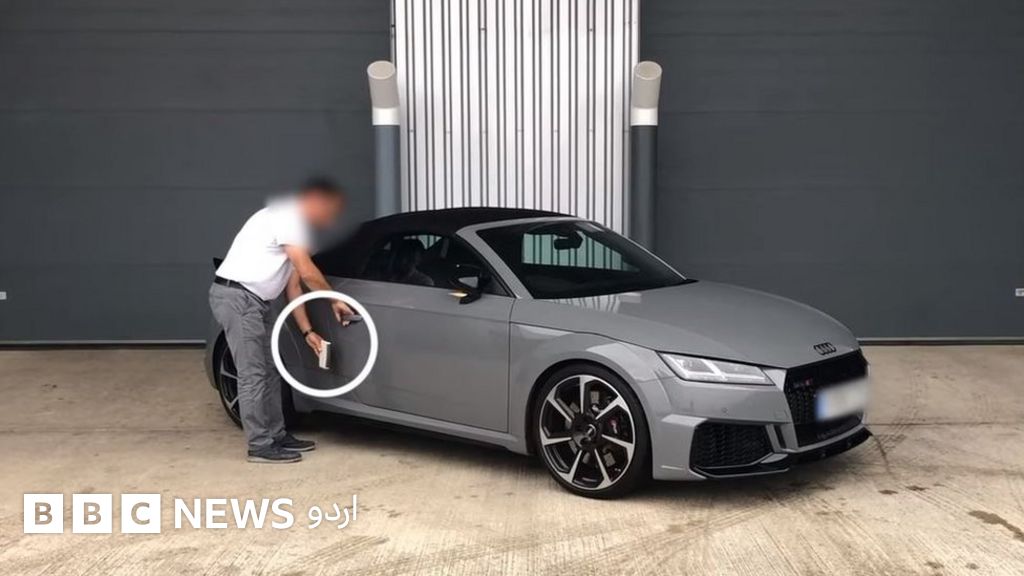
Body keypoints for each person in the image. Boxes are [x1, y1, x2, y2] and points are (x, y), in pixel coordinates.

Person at [209, 176, 353, 463]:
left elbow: (294, 286)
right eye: (330, 211)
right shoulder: (287, 216)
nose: (330, 219)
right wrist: (336, 299)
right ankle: (259, 445)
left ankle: (276, 434)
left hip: (257, 301)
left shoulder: (299, 230)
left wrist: (307, 332)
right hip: (239, 297)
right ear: (315, 200)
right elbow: (307, 271)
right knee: (252, 374)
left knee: (272, 369)